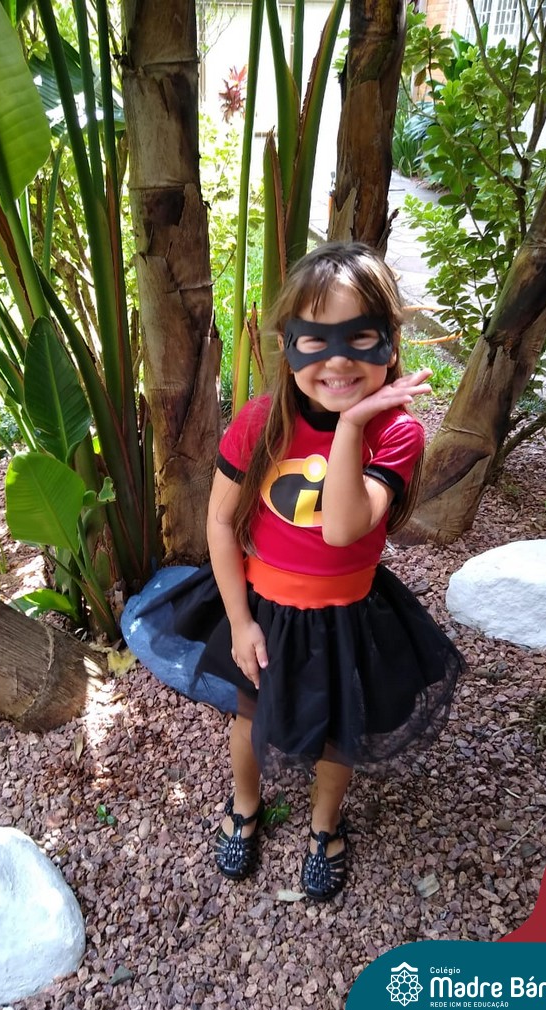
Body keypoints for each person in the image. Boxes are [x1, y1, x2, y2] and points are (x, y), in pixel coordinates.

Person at [122, 242, 465, 901]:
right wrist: (240, 622)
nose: (338, 360)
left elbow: (342, 527)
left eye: (360, 338)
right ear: (287, 347)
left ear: (391, 344)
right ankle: (245, 806)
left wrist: (351, 425)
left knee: (340, 732)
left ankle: (324, 826)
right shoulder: (259, 423)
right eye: (317, 340)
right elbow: (220, 522)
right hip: (266, 610)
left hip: (349, 615)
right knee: (250, 717)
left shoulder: (396, 434)